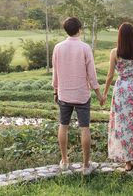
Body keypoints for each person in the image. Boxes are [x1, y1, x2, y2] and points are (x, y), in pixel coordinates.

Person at [52, 17, 104, 175]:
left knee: (63, 126)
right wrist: (99, 95)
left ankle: (65, 161)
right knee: (84, 128)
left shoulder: (58, 47)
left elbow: (56, 72)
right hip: (82, 95)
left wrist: (55, 90)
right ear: (79, 29)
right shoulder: (85, 48)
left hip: (64, 94)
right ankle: (86, 166)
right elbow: (92, 75)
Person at [102, 22, 133, 171]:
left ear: (120, 36)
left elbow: (110, 75)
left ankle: (127, 162)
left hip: (121, 89)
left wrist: (104, 93)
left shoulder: (115, 52)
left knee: (123, 126)